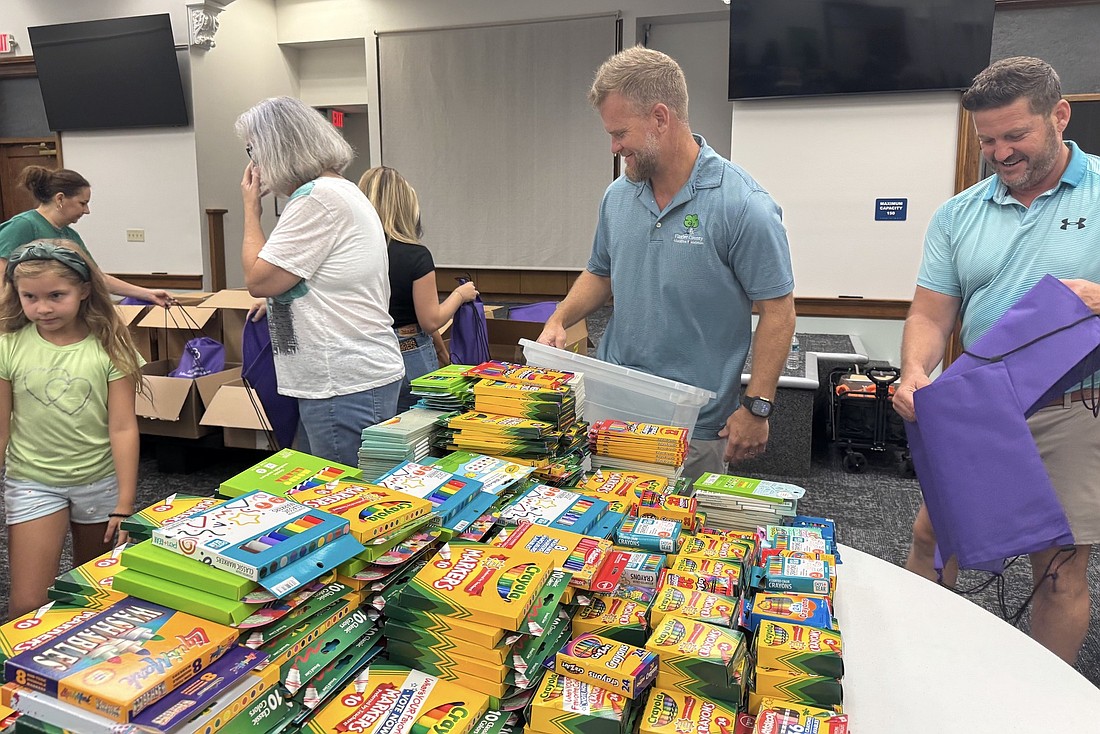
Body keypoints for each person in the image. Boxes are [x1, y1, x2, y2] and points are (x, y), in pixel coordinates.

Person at [894, 56, 1100, 665]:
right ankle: (918, 662)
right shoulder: (959, 215)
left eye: (1016, 136)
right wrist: (915, 372)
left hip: (1071, 409)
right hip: (977, 404)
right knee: (933, 537)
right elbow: (931, 315)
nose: (1001, 152)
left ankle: (1040, 707)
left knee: (1057, 569)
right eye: (988, 140)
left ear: (1059, 115)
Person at [536, 46, 796, 480]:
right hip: (614, 408)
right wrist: (559, 318)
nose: (615, 147)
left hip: (695, 425)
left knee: (679, 539)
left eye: (620, 133)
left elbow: (779, 312)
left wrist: (757, 405)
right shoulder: (618, 196)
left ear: (661, 117)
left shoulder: (743, 205)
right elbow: (600, 273)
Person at [236, 96, 405, 468]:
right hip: (349, 376)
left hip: (342, 382)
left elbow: (258, 279)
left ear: (276, 148)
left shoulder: (317, 199)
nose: (253, 163)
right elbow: (321, 276)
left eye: (253, 150)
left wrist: (251, 210)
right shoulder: (338, 191)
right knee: (329, 492)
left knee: (344, 503)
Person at [0, 240, 143, 619]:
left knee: (95, 595)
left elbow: (123, 427)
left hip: (100, 482)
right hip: (33, 481)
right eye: (29, 296)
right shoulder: (8, 345)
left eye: (56, 295)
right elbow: (0, 430)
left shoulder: (111, 347)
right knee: (28, 604)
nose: (42, 308)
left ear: (83, 290)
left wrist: (125, 504)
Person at [357, 166, 478, 412]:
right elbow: (430, 320)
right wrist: (459, 296)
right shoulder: (415, 256)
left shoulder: (352, 254)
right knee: (417, 434)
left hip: (365, 354)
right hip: (408, 353)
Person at [0, 166, 174, 307]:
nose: (86, 210)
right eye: (82, 203)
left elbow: (97, 278)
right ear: (60, 199)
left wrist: (148, 294)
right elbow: (2, 276)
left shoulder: (69, 235)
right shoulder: (23, 226)